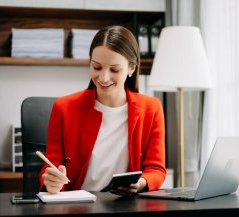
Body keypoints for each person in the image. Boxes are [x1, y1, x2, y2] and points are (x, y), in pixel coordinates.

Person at [39, 25, 166, 196]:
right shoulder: (63, 108)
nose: (104, 78)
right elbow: (51, 166)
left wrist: (141, 183)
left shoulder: (151, 108)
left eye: (114, 70)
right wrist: (52, 183)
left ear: (132, 68)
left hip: (125, 207)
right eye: (97, 67)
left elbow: (156, 169)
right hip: (76, 206)